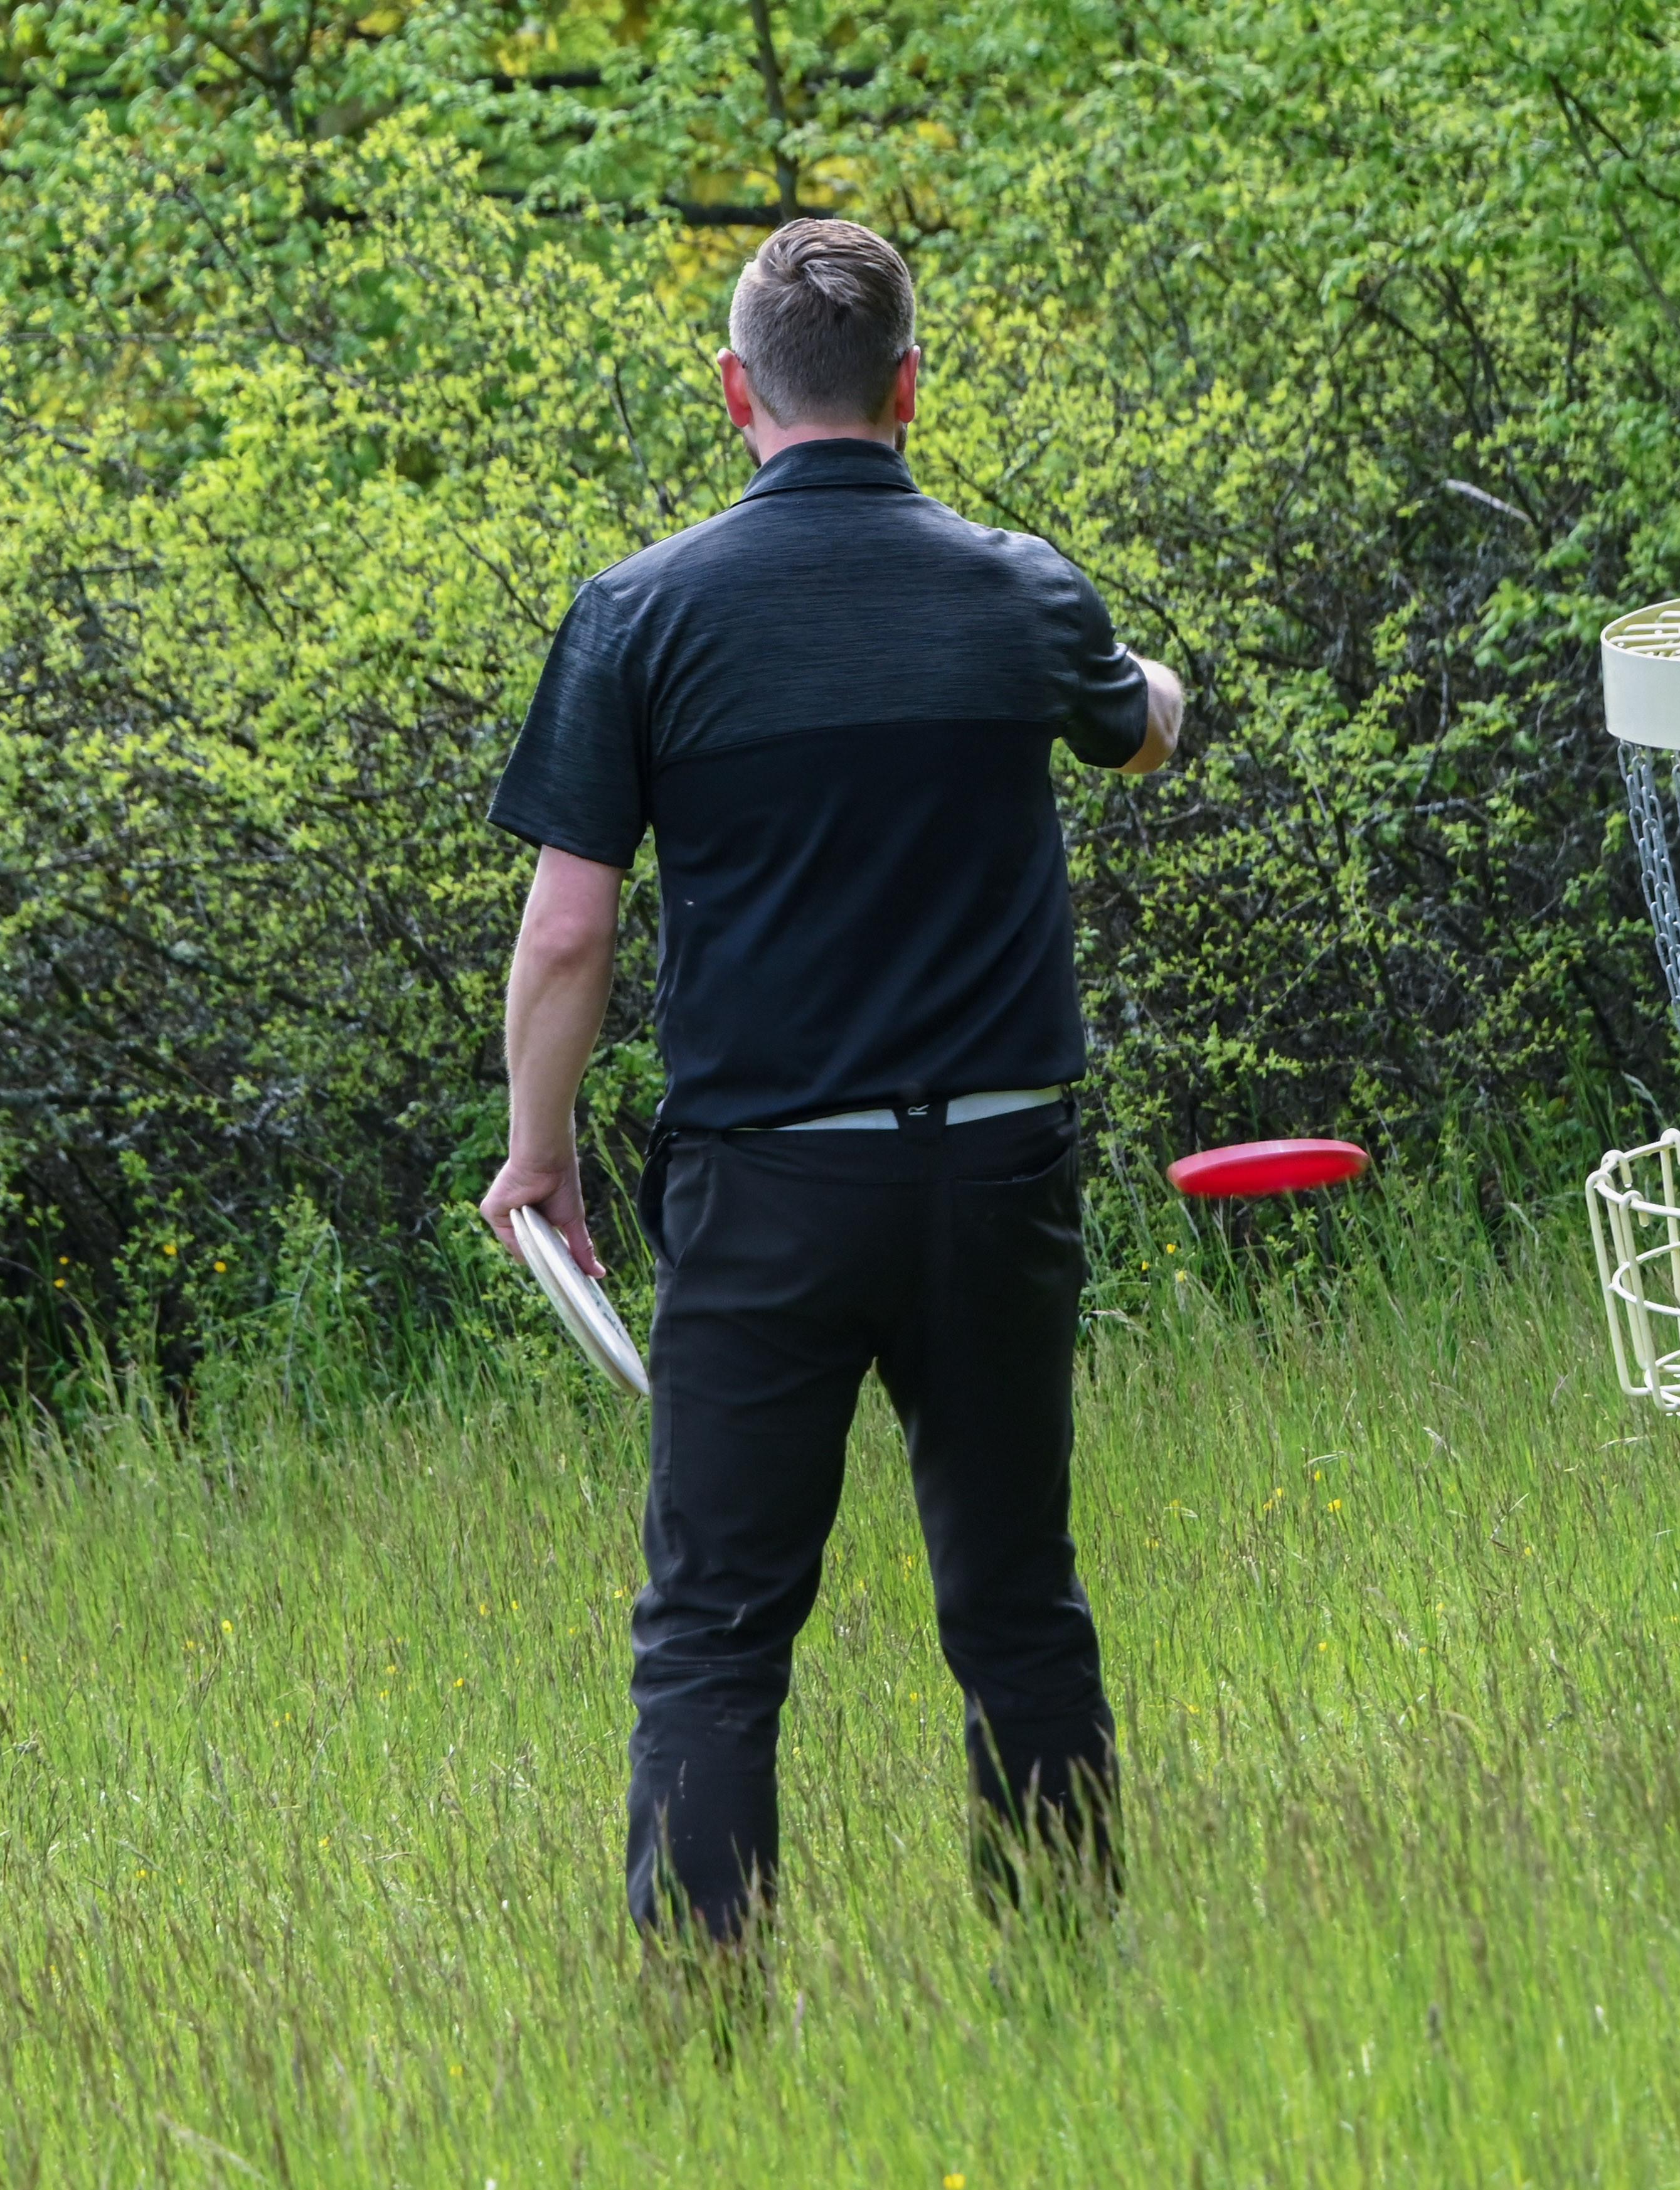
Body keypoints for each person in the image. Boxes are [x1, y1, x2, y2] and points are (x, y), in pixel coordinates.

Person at [476, 218, 1184, 1944]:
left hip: (769, 1188)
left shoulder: (639, 615)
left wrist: (539, 1152)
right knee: (1019, 1604)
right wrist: (1158, 681)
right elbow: (1142, 722)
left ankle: (707, 2032)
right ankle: (1066, 1990)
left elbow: (569, 935)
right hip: (1001, 1175)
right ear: (909, 388)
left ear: (739, 394)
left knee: (715, 1633)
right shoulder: (1024, 588)